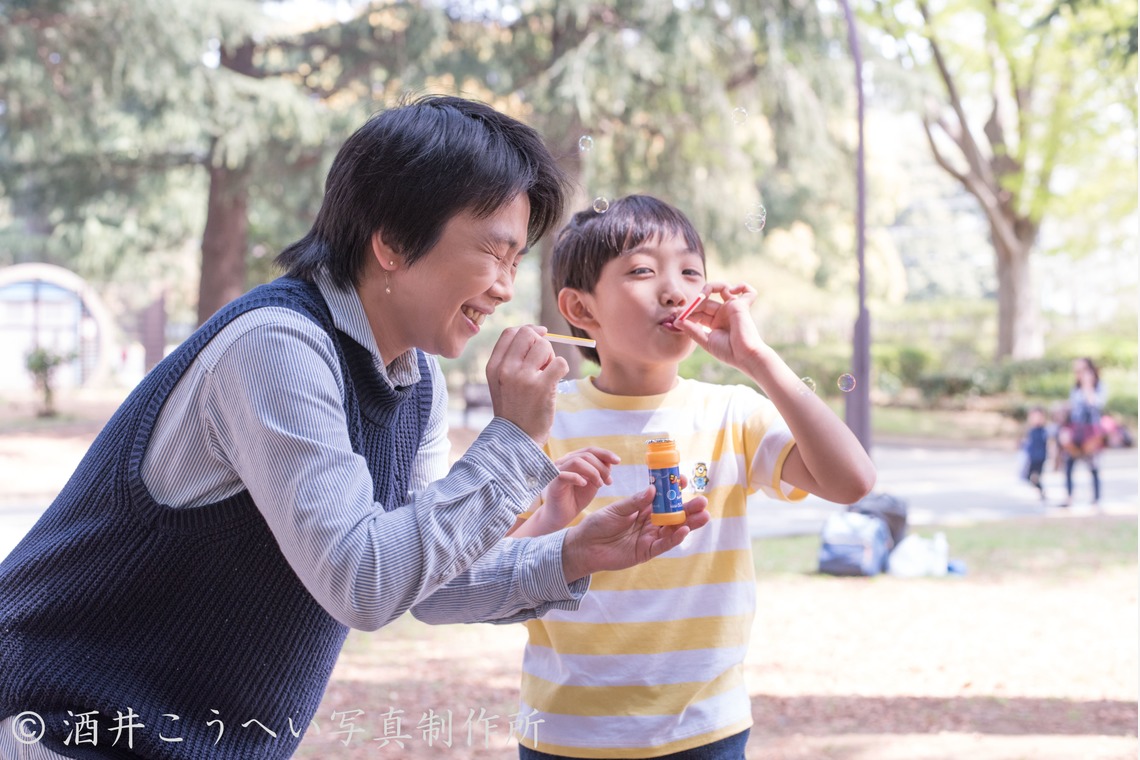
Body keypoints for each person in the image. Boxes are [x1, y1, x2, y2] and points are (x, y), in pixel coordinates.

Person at [0, 100, 709, 760]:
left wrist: (570, 555)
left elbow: (419, 581)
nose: (503, 286)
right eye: (493, 252)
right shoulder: (276, 346)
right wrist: (514, 442)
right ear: (393, 243)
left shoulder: (414, 378)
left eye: (516, 259)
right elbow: (362, 581)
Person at [506, 195, 876, 758]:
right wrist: (556, 516)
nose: (675, 289)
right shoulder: (543, 418)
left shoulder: (732, 413)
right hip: (566, 732)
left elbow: (852, 481)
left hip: (706, 728)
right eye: (642, 271)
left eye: (690, 271)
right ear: (580, 310)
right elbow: (499, 571)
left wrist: (759, 361)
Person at [1057, 356, 1108, 507]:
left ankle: (1096, 499)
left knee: (1093, 467)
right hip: (1075, 431)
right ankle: (1069, 497)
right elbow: (1072, 410)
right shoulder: (1075, 388)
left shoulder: (1099, 386)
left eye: (1081, 370)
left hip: (1092, 432)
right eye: (1076, 371)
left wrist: (1088, 386)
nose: (1078, 374)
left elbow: (1096, 404)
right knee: (1069, 464)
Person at [1020, 405, 1049, 500]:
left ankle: (1041, 491)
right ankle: (1040, 490)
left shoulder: (1043, 431)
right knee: (1028, 476)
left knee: (1034, 476)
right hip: (1031, 457)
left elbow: (1049, 444)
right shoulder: (1030, 430)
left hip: (1039, 458)